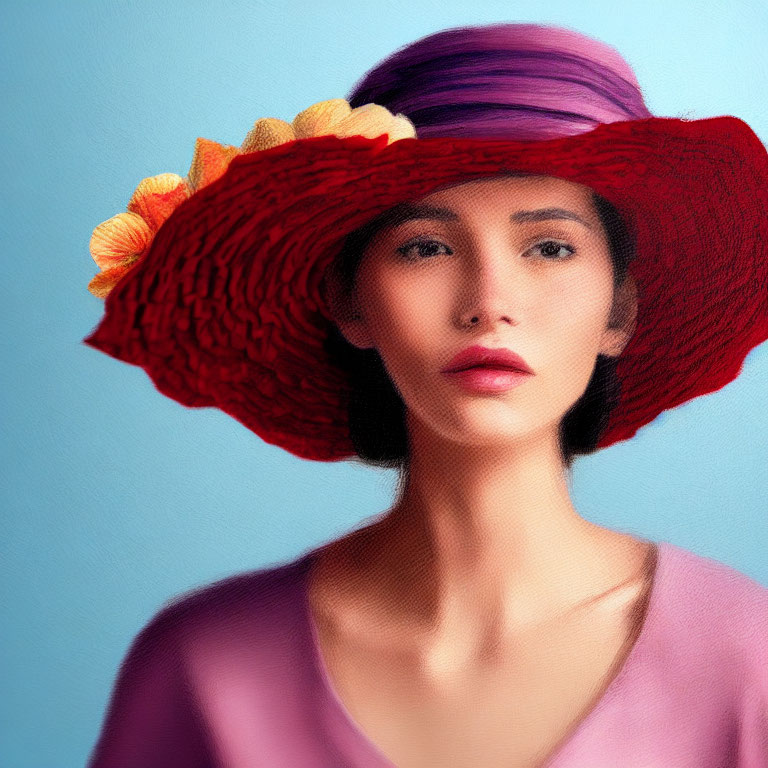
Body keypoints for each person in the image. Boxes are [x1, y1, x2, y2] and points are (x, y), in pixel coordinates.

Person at [83, 23, 768, 768]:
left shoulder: (746, 658)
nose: (488, 303)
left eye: (550, 247)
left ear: (620, 309)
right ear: (350, 302)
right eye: (426, 247)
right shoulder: (205, 667)